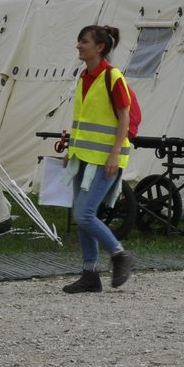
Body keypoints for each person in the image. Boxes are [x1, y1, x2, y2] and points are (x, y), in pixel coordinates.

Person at [59, 25, 136, 294]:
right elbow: (84, 119)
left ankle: (119, 254)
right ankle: (90, 273)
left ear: (99, 47)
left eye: (83, 41)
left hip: (105, 158)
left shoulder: (112, 77)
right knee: (81, 217)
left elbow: (124, 117)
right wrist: (72, 148)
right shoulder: (83, 76)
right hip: (83, 155)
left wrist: (115, 154)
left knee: (84, 213)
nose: (78, 45)